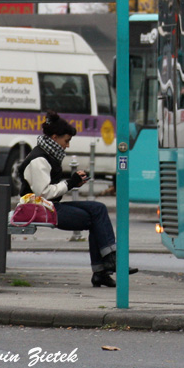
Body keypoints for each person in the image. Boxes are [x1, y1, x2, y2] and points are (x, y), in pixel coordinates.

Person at [17, 111, 136, 288]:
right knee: (96, 218)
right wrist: (69, 183)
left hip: (48, 207)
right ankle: (106, 267)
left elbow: (51, 189)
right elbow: (44, 193)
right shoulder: (39, 159)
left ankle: (106, 265)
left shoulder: (47, 154)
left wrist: (73, 183)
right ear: (54, 137)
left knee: (99, 208)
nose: (67, 146)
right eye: (66, 141)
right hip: (41, 210)